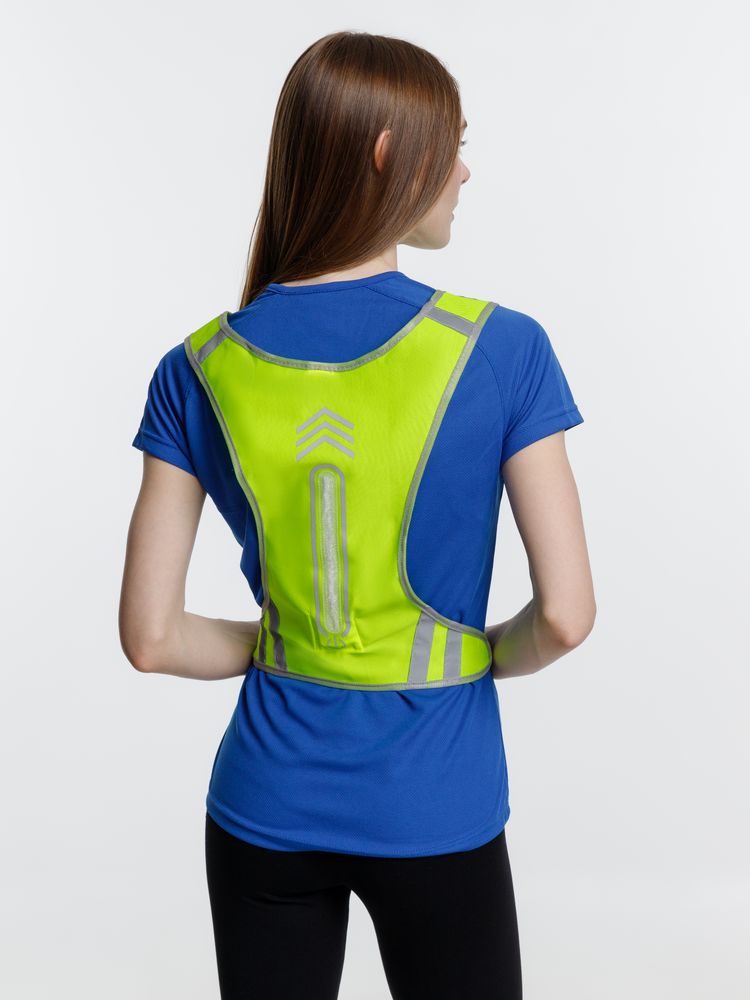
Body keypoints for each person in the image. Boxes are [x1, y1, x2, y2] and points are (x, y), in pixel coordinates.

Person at [119, 29, 596, 1000]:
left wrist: (290, 644)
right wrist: (474, 655)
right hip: (436, 804)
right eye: (452, 144)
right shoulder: (500, 349)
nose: (464, 171)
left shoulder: (197, 367)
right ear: (387, 151)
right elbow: (565, 616)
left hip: (262, 808)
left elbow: (151, 637)